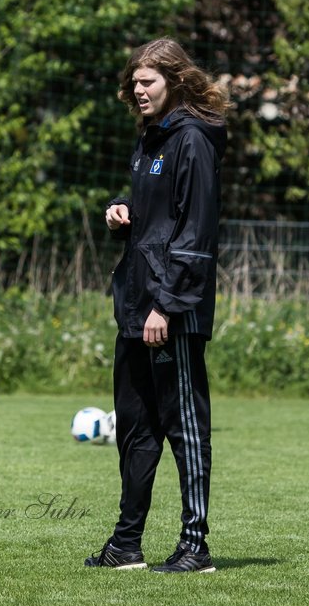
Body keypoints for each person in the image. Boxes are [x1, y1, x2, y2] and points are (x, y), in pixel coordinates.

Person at [85, 37, 228, 573]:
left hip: (172, 308)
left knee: (183, 426)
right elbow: (157, 220)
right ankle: (127, 544)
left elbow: (194, 234)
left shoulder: (193, 140)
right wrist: (122, 208)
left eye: (148, 82)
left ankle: (196, 544)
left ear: (176, 80)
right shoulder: (150, 139)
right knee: (135, 426)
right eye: (135, 83)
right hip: (136, 302)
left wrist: (165, 307)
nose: (138, 90)